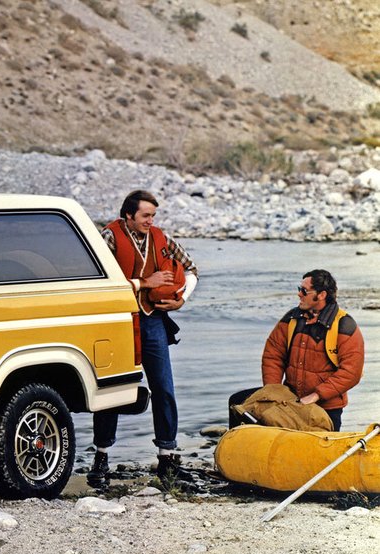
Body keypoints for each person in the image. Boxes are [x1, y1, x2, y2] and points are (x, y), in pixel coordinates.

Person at [88, 190, 199, 488]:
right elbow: (95, 281)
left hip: (152, 321)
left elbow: (192, 269)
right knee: (112, 391)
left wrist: (181, 300)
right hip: (119, 322)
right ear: (128, 216)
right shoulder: (108, 237)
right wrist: (143, 283)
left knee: (164, 386)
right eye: (145, 216)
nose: (151, 221)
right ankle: (101, 456)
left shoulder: (162, 238)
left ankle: (167, 457)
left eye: (153, 216)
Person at [228, 269, 364, 432]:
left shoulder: (345, 326)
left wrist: (316, 395)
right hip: (289, 400)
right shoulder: (291, 319)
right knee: (236, 402)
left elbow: (351, 372)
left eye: (304, 291)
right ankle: (235, 451)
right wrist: (274, 392)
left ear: (321, 295)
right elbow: (273, 356)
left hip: (326, 408)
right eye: (299, 289)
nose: (299, 294)